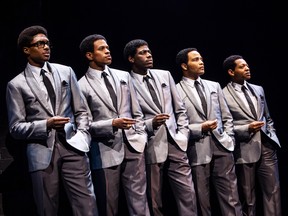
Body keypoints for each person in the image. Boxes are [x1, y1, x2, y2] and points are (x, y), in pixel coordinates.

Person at [6, 25, 98, 216]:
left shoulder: (65, 72)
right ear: (27, 50)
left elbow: (82, 110)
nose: (46, 47)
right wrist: (45, 124)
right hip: (42, 152)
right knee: (47, 208)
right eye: (40, 44)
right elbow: (15, 127)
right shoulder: (16, 84)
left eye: (47, 43)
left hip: (74, 146)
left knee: (87, 204)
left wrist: (83, 136)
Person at [123, 39, 197, 216]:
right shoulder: (126, 81)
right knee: (154, 198)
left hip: (176, 141)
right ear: (131, 59)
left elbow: (180, 109)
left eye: (149, 52)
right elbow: (131, 114)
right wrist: (150, 124)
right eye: (142, 53)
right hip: (151, 144)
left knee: (188, 194)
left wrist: (182, 135)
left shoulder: (164, 75)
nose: (149, 55)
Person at [78, 34, 150, 216]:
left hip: (134, 145)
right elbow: (85, 125)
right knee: (109, 204)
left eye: (108, 47)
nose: (107, 51)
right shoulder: (81, 85)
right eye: (101, 49)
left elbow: (137, 111)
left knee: (140, 202)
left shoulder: (123, 76)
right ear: (89, 55)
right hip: (105, 150)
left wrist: (140, 136)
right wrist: (111, 124)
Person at [175, 48, 242, 216]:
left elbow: (227, 116)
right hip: (197, 148)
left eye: (201, 59)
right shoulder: (175, 90)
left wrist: (229, 139)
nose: (201, 62)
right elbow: (177, 126)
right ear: (184, 65)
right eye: (196, 60)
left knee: (231, 198)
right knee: (202, 200)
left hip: (222, 146)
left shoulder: (214, 85)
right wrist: (199, 128)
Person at [222, 54, 281, 216]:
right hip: (244, 148)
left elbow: (267, 117)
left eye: (247, 65)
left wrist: (272, 135)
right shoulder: (223, 94)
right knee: (248, 197)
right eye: (241, 67)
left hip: (267, 145)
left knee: (273, 192)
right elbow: (226, 126)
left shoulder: (258, 89)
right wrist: (247, 128)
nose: (247, 68)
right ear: (231, 72)